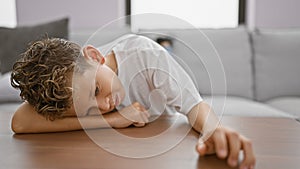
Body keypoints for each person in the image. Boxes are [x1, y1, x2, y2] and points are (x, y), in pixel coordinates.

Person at [11, 34, 255, 169]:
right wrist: (114, 120)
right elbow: (20, 122)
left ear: (95, 57)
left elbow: (194, 105)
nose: (104, 106)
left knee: (166, 61)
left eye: (96, 90)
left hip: (154, 61)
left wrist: (214, 130)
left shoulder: (146, 57)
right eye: (87, 110)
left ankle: (167, 43)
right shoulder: (68, 88)